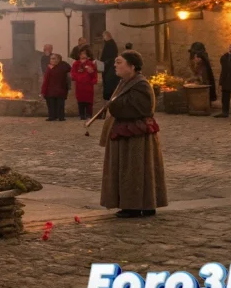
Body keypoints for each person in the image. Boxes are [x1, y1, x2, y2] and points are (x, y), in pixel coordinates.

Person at [99, 50, 168, 219]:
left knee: (135, 169)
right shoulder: (125, 82)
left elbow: (141, 108)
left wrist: (113, 105)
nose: (115, 65)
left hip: (136, 136)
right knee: (128, 169)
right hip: (126, 134)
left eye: (119, 62)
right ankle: (135, 205)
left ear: (132, 66)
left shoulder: (141, 85)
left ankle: (136, 206)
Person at [71, 47, 99, 120]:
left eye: (84, 53)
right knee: (80, 101)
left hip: (88, 86)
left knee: (89, 101)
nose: (83, 55)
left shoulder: (91, 64)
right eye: (81, 54)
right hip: (79, 85)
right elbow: (73, 73)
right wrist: (78, 78)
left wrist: (92, 76)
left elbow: (94, 74)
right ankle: (82, 115)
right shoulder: (76, 63)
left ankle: (89, 115)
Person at [41, 53, 70, 121]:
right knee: (51, 105)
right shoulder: (49, 68)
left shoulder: (63, 67)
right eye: (51, 59)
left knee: (60, 105)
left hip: (60, 90)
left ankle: (61, 116)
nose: (52, 60)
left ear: (58, 60)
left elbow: (69, 69)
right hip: (50, 91)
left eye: (54, 58)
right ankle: (52, 116)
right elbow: (46, 80)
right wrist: (43, 91)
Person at [100, 31, 120, 102]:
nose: (103, 38)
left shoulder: (110, 44)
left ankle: (108, 96)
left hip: (108, 65)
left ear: (107, 36)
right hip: (107, 65)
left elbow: (109, 55)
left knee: (108, 81)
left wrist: (104, 61)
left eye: (104, 36)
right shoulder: (109, 43)